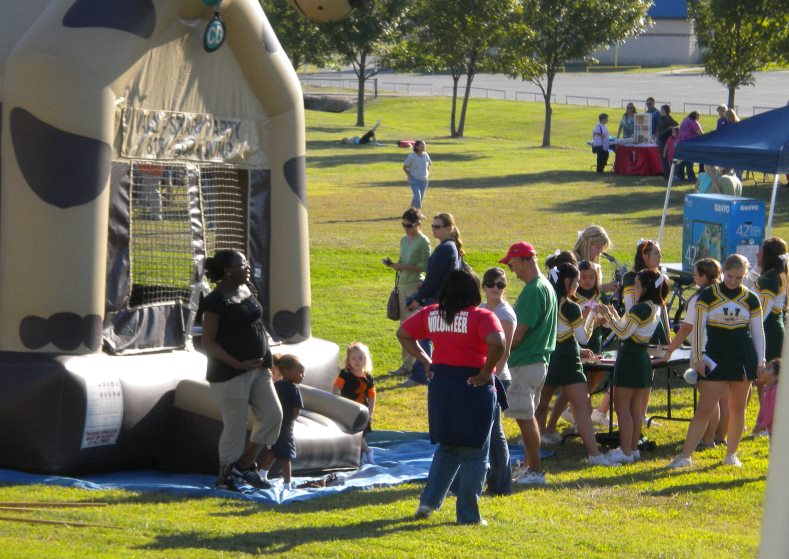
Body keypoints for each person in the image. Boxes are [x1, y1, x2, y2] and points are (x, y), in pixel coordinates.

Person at [398, 269, 504, 525]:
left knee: (447, 448)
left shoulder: (431, 312)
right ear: (473, 291)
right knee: (475, 453)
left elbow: (403, 333)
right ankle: (468, 516)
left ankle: (427, 503)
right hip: (473, 385)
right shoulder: (481, 316)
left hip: (442, 384)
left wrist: (425, 360)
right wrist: (486, 370)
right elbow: (498, 342)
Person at [668, 254, 765, 469]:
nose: (733, 281)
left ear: (745, 275)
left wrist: (760, 361)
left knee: (738, 408)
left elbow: (758, 332)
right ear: (723, 274)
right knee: (705, 408)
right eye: (730, 276)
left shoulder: (751, 298)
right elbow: (697, 329)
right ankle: (685, 456)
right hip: (715, 356)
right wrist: (698, 358)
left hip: (742, 357)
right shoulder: (708, 296)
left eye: (739, 278)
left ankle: (732, 454)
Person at [200, 249, 283, 491]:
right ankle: (224, 476)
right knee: (235, 426)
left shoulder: (247, 288)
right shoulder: (216, 301)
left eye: (247, 262)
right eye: (242, 264)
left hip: (259, 369)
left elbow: (256, 324)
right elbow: (208, 342)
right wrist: (237, 364)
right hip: (229, 374)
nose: (247, 267)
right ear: (227, 271)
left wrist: (268, 361)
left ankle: (245, 465)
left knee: (272, 414)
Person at [535, 263, 614, 466]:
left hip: (550, 357)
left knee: (541, 404)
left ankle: (533, 444)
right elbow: (583, 337)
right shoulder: (569, 306)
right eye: (577, 281)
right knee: (582, 407)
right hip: (568, 360)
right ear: (567, 282)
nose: (579, 285)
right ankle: (595, 455)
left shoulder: (548, 300)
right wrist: (589, 319)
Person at [499, 242, 557, 486]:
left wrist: (497, 355)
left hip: (526, 361)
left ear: (523, 260)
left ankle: (535, 470)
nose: (512, 271)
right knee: (528, 415)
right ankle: (528, 465)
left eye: (512, 265)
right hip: (537, 361)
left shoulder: (534, 290)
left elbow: (519, 333)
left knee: (525, 418)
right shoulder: (545, 286)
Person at [598, 269, 668, 463]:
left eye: (637, 285)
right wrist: (613, 314)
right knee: (636, 409)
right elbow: (628, 327)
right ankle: (633, 448)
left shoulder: (641, 308)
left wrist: (607, 315)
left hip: (630, 357)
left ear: (645, 288)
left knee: (622, 409)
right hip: (641, 357)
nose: (634, 289)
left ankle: (626, 451)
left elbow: (623, 333)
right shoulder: (655, 306)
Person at [659, 258, 728, 449]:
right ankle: (720, 437)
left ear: (705, 276)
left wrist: (670, 350)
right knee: (723, 397)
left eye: (696, 274)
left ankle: (707, 440)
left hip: (704, 350)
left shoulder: (699, 298)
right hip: (724, 350)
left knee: (708, 399)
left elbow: (686, 328)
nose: (693, 278)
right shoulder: (724, 294)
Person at [405, 212, 463, 385]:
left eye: (438, 226)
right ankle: (425, 373)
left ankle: (420, 375)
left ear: (449, 228)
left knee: (424, 337)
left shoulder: (446, 248)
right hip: (439, 298)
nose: (434, 229)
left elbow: (434, 277)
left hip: (436, 300)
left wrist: (419, 298)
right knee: (430, 337)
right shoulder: (449, 247)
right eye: (432, 226)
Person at [479, 267, 517, 494]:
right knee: (487, 431)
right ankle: (492, 479)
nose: (495, 288)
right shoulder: (482, 309)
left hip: (497, 378)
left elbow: (505, 352)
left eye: (500, 285)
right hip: (483, 373)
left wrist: (491, 378)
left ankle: (501, 483)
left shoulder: (505, 313)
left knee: (494, 433)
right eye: (491, 284)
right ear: (483, 286)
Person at [383, 208, 431, 376]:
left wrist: (402, 266)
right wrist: (394, 265)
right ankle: (407, 365)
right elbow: (402, 261)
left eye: (409, 225)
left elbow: (426, 267)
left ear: (418, 224)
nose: (406, 229)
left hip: (415, 287)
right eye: (403, 225)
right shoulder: (403, 240)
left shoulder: (423, 241)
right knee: (404, 326)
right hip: (402, 285)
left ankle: (420, 364)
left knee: (414, 327)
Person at [257, 354, 305, 489]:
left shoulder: (276, 385)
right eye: (300, 373)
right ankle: (287, 483)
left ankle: (262, 473)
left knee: (273, 450)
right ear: (288, 372)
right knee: (286, 455)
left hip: (274, 423)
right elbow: (296, 411)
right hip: (286, 427)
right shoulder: (294, 389)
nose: (303, 376)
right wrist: (292, 419)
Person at [333, 342, 376, 464]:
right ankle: (367, 451)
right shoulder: (345, 374)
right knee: (353, 433)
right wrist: (336, 399)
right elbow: (336, 388)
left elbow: (372, 396)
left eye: (360, 358)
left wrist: (371, 412)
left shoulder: (368, 378)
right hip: (347, 408)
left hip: (361, 410)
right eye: (353, 358)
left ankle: (361, 456)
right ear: (349, 360)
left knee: (360, 434)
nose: (357, 361)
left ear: (366, 360)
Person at [573, 225, 617, 294]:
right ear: (587, 244)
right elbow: (577, 292)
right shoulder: (573, 262)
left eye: (602, 249)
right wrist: (603, 288)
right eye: (598, 247)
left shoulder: (592, 262)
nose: (600, 252)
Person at [753, 358, 780, 437]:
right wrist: (758, 423)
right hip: (771, 428)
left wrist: (762, 425)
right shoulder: (765, 390)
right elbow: (762, 409)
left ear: (775, 377)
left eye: (768, 368)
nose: (763, 370)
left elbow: (771, 412)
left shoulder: (775, 392)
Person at [403, 140, 432, 209]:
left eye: (424, 145)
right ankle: (418, 210)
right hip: (414, 180)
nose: (423, 147)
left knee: (419, 196)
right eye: (421, 146)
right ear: (417, 147)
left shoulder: (426, 155)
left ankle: (411, 211)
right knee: (418, 197)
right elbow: (405, 167)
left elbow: (428, 165)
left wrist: (427, 175)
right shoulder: (412, 156)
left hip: (424, 180)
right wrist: (410, 176)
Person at [678, 111, 704, 182]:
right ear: (696, 116)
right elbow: (700, 133)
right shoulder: (694, 122)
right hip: (689, 143)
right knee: (689, 161)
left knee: (682, 161)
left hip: (681, 142)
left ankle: (680, 176)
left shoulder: (684, 121)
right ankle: (691, 177)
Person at [656, 105, 679, 179]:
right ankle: (668, 174)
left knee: (665, 158)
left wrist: (670, 128)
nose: (661, 111)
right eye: (661, 110)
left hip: (664, 141)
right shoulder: (661, 118)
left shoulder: (668, 119)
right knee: (664, 158)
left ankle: (667, 175)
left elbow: (676, 124)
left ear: (666, 111)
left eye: (663, 110)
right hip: (660, 139)